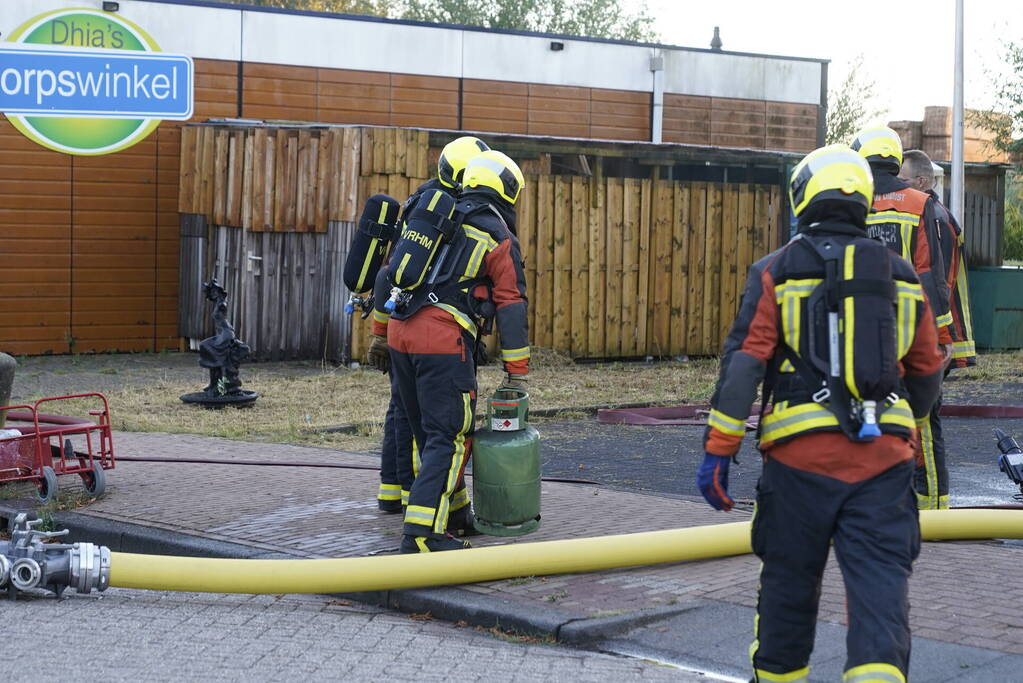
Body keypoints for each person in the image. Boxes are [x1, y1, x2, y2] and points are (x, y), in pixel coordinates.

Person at [696, 144, 944, 682]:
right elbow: (926, 373)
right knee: (880, 595)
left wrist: (719, 452)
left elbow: (744, 365)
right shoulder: (901, 275)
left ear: (803, 197)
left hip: (798, 465)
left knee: (788, 589)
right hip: (883, 463)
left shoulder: (776, 270)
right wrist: (908, 414)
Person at [381, 150, 529, 553]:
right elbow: (511, 303)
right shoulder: (497, 235)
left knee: (423, 432)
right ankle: (423, 534)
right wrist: (517, 370)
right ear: (507, 190)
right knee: (450, 435)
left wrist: (379, 331)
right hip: (442, 342)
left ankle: (456, 512)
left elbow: (387, 272)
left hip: (401, 334)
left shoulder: (433, 218)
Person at [365, 136, 490, 515]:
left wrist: (382, 330)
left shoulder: (421, 201)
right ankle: (415, 498)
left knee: (401, 407)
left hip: (399, 319)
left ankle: (394, 492)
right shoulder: (448, 211)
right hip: (425, 326)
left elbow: (391, 270)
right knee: (423, 418)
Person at [898, 149, 978, 509]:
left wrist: (943, 339)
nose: (895, 191)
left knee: (924, 421)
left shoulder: (934, 217)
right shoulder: (925, 215)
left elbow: (938, 284)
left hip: (933, 336)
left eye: (902, 182)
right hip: (926, 334)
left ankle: (933, 505)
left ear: (923, 182)